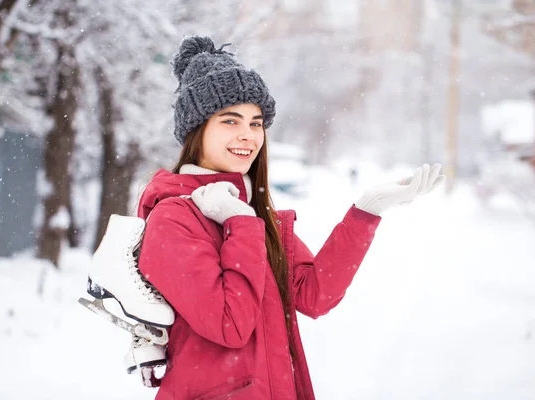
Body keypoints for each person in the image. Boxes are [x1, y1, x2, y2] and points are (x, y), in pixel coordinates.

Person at [135, 35, 445, 400]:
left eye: (256, 123)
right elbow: (230, 324)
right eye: (230, 121)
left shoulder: (250, 211)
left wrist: (366, 211)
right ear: (196, 129)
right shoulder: (174, 217)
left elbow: (315, 294)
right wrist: (241, 224)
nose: (247, 136)